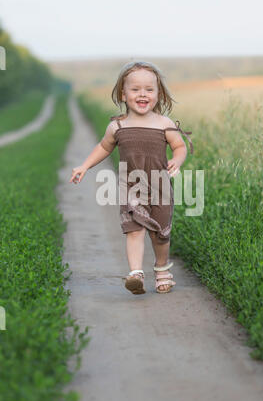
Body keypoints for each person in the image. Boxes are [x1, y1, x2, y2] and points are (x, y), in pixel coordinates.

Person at [69, 61, 193, 295]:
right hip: (131, 187)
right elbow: (104, 148)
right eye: (135, 90)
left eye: (149, 89)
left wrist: (177, 160)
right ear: (123, 94)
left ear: (158, 94)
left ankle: (162, 269)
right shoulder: (117, 126)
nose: (142, 94)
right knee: (134, 229)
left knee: (160, 233)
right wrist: (84, 166)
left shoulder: (164, 124)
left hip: (160, 187)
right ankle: (135, 273)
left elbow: (180, 147)